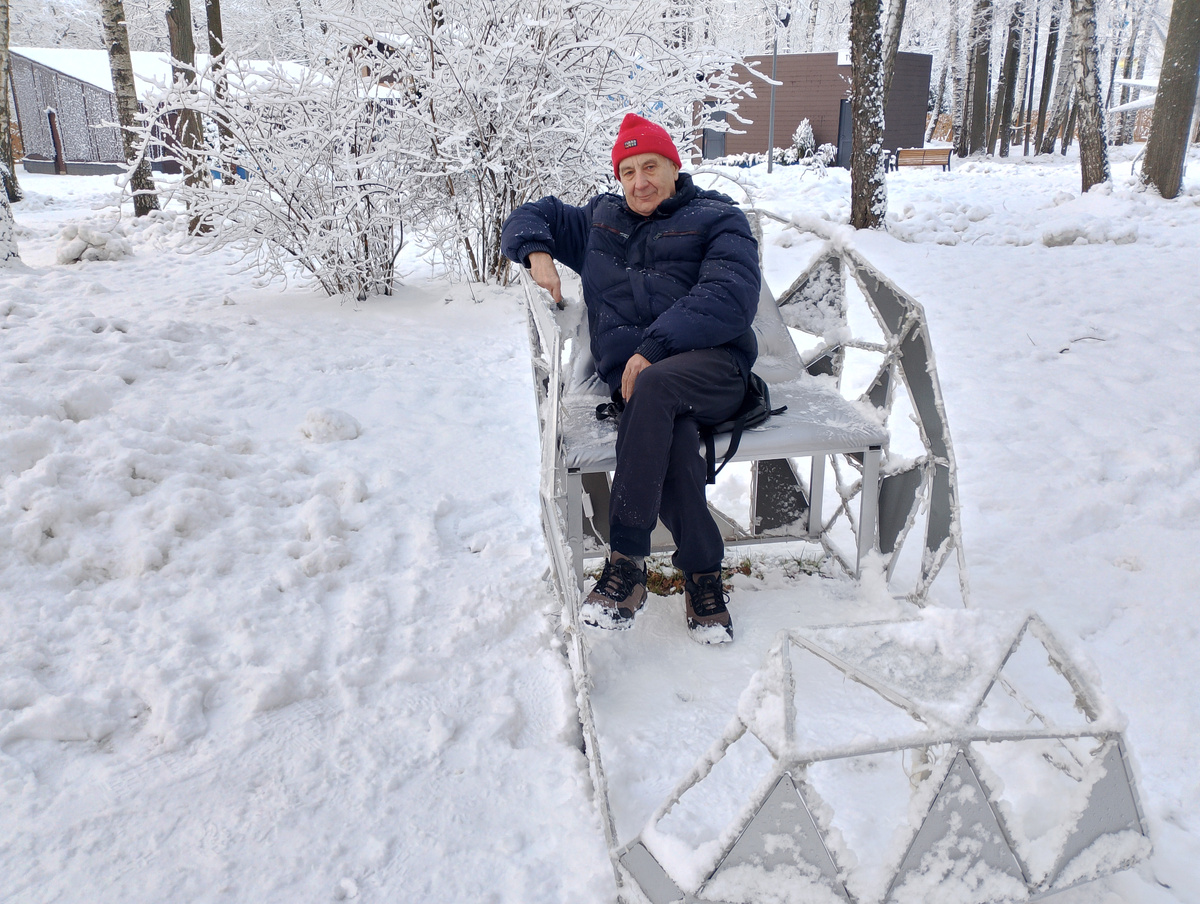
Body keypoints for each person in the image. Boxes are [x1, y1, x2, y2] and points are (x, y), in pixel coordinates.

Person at [501, 113, 760, 644]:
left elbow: (728, 298)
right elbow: (530, 214)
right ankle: (704, 576)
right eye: (628, 171)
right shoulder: (600, 221)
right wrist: (536, 250)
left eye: (651, 167)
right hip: (641, 393)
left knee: (657, 386)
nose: (639, 181)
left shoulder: (717, 217)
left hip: (715, 369)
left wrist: (653, 348)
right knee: (675, 437)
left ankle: (626, 563)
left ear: (674, 166)